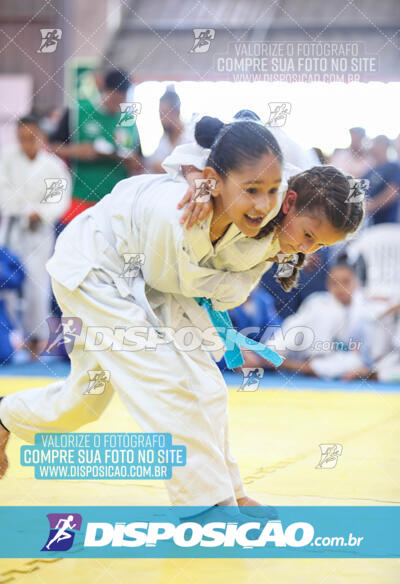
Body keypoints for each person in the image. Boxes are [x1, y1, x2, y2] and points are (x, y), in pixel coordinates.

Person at [0, 116, 364, 510]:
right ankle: (205, 505)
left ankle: (5, 415)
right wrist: (196, 180)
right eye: (308, 236)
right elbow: (206, 143)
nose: (306, 251)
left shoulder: (272, 203)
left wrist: (263, 247)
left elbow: (220, 292)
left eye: (316, 245)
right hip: (98, 268)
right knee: (170, 381)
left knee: (103, 400)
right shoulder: (189, 211)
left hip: (157, 282)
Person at [0, 114, 71, 358]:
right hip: (11, 227)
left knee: (37, 285)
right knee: (5, 283)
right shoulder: (7, 158)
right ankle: (6, 338)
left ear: (42, 137)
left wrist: (38, 213)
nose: (26, 144)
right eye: (21, 138)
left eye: (31, 138)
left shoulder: (53, 166)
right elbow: (3, 188)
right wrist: (22, 210)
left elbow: (59, 200)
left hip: (39, 231)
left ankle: (35, 340)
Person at [49, 68, 143, 223]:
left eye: (123, 101)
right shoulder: (77, 111)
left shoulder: (128, 118)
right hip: (80, 199)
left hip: (117, 204)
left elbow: (139, 160)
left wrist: (133, 162)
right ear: (103, 90)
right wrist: (76, 151)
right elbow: (52, 147)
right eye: (114, 100)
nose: (118, 106)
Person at [148, 88, 193, 173]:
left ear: (177, 112)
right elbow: (153, 163)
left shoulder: (191, 137)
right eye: (160, 114)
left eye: (165, 114)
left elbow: (192, 168)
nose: (162, 119)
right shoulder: (164, 139)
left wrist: (165, 168)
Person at [363, 135, 400, 225]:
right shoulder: (370, 170)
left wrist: (368, 207)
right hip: (368, 225)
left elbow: (392, 193)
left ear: (383, 145)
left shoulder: (393, 167)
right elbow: (357, 188)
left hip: (386, 225)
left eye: (375, 143)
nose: (372, 147)